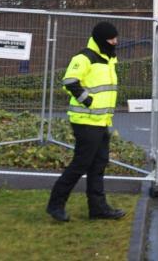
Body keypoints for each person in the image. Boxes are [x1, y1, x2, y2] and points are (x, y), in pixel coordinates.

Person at [47, 21, 126, 222]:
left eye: (116, 38)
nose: (115, 42)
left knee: (98, 164)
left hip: (100, 121)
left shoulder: (108, 59)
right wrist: (87, 100)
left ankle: (98, 208)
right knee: (81, 164)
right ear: (101, 39)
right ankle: (55, 205)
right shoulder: (84, 58)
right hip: (85, 120)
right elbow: (69, 80)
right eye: (111, 39)